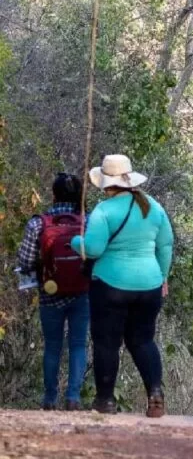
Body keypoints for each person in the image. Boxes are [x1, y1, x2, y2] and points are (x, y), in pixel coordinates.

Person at [72, 155, 174, 417]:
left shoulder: (104, 211)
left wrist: (74, 241)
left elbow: (93, 248)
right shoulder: (154, 207)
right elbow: (165, 245)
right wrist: (162, 276)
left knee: (106, 342)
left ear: (106, 184)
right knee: (142, 341)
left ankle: (105, 400)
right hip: (149, 284)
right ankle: (155, 392)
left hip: (110, 285)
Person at [17, 174, 89, 411]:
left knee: (52, 346)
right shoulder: (86, 222)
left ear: (54, 194)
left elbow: (26, 260)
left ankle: (49, 399)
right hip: (81, 292)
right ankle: (73, 398)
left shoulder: (38, 223)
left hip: (50, 292)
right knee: (78, 344)